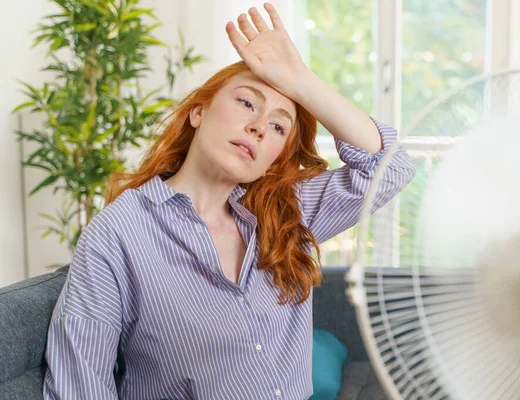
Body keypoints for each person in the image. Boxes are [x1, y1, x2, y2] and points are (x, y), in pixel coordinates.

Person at [43, 3, 416, 399]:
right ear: (198, 112)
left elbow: (390, 168)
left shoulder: (288, 212)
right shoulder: (118, 233)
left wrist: (300, 80)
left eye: (278, 126)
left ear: (277, 153)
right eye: (246, 102)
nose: (258, 127)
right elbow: (78, 385)